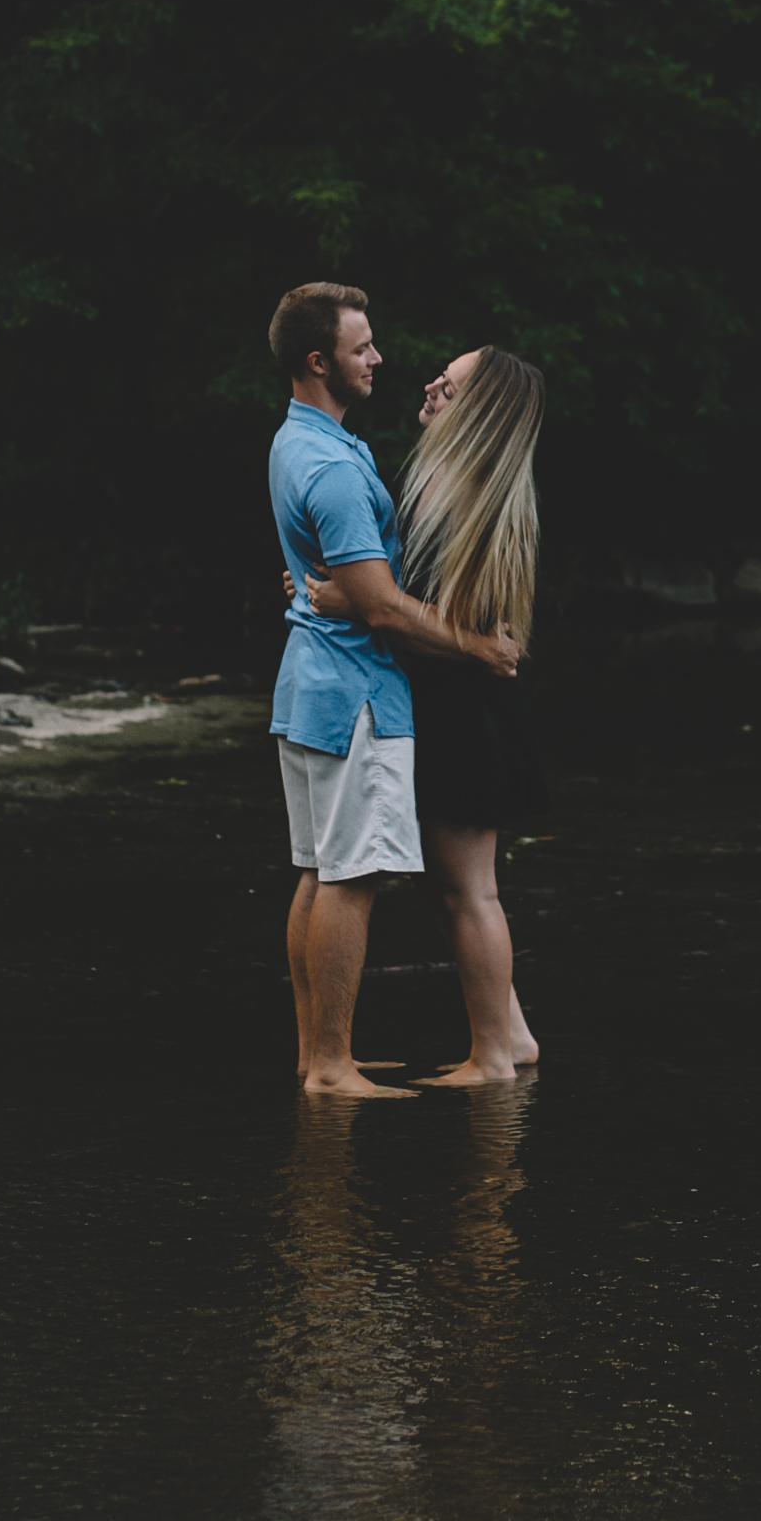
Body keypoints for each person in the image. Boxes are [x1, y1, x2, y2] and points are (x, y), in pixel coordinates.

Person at [267, 284, 519, 1099]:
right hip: (368, 693)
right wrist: (347, 591)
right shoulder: (343, 464)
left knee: (339, 872)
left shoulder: (313, 448)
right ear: (319, 360)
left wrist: (338, 589)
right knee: (348, 875)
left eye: (448, 384)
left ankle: (335, 1057)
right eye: (362, 347)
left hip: (373, 692)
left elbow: (378, 584)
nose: (385, 362)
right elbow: (378, 594)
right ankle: (333, 1063)